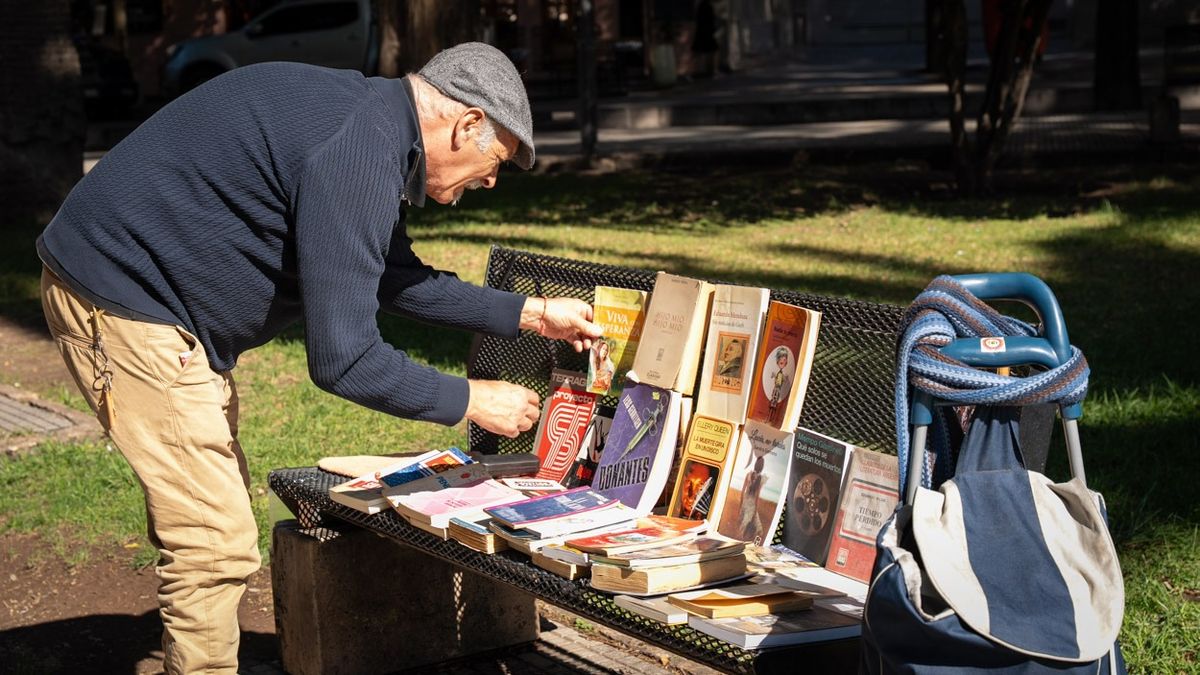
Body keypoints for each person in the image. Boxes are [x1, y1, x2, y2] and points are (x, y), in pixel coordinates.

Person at [37, 42, 601, 674]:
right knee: (214, 542)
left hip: (151, 299)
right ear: (467, 123)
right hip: (123, 298)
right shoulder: (360, 150)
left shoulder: (373, 125)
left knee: (204, 516)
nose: (492, 180)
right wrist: (472, 400)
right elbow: (345, 360)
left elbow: (389, 275)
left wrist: (529, 314)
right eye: (494, 159)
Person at [691, 0, 719, 79]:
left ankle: (700, 71)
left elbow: (697, 18)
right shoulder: (706, 6)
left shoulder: (702, 5)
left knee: (702, 51)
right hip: (707, 31)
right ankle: (708, 71)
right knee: (710, 50)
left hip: (702, 31)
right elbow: (712, 19)